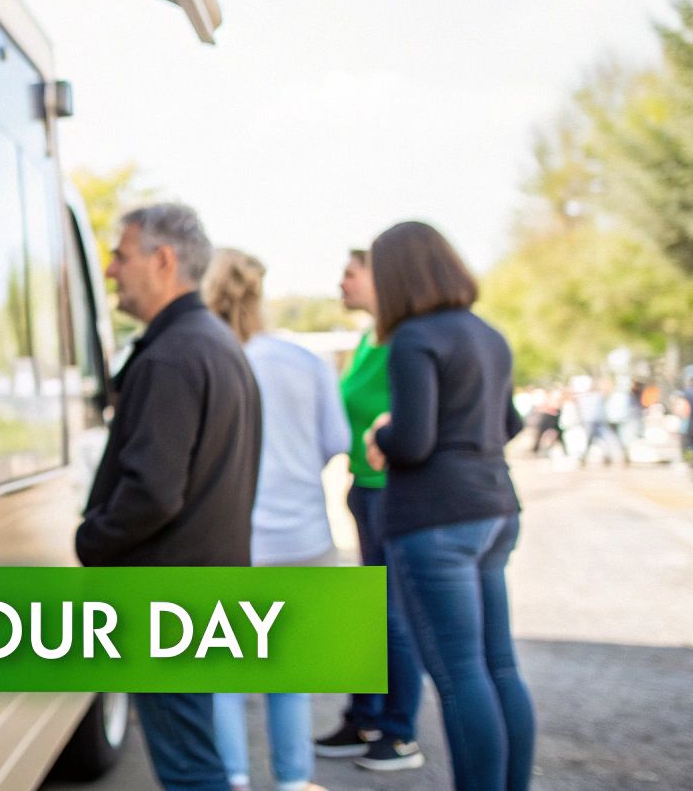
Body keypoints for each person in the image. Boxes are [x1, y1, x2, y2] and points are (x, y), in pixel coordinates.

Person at [77, 204, 261, 791]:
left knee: (190, 769)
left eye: (120, 255)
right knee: (195, 754)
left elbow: (153, 492)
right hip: (202, 588)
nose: (109, 271)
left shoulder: (173, 355)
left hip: (170, 597)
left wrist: (92, 537)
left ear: (162, 261)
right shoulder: (213, 343)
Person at [365, 221, 535, 791]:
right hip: (495, 507)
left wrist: (381, 434)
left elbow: (413, 442)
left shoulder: (414, 338)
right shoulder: (488, 334)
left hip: (435, 519)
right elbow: (508, 423)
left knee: (461, 675)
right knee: (499, 666)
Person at [203, 249, 342, 791]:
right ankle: (292, 781)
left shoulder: (207, 359)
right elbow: (336, 443)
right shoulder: (304, 361)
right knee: (290, 675)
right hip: (303, 535)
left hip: (229, 541)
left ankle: (231, 779)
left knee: (221, 678)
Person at [314, 249, 426, 770]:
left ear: (381, 280)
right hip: (363, 487)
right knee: (367, 609)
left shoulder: (406, 341)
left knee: (393, 614)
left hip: (391, 491)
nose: (341, 283)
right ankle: (363, 717)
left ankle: (399, 732)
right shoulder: (366, 341)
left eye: (350, 274)